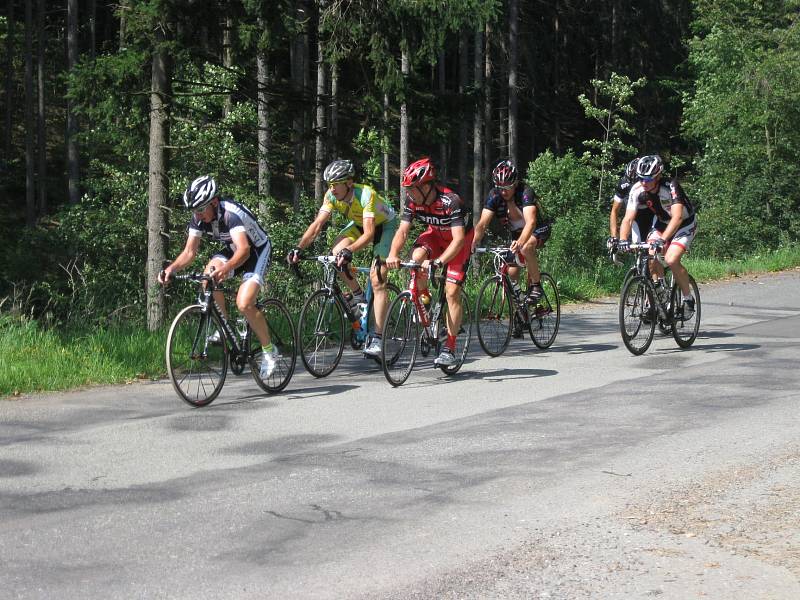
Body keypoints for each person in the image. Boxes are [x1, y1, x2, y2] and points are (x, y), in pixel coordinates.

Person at [158, 175, 278, 378]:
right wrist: (171, 269)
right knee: (207, 277)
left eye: (200, 209)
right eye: (194, 211)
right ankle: (224, 327)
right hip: (233, 250)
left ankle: (269, 352)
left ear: (213, 202)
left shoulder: (231, 214)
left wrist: (226, 268)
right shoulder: (199, 217)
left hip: (256, 250)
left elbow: (245, 250)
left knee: (245, 303)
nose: (197, 215)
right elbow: (189, 252)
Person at [286, 159, 398, 358]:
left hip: (383, 226)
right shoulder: (331, 196)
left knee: (378, 278)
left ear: (348, 182)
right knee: (334, 256)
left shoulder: (366, 195)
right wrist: (298, 247)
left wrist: (350, 251)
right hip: (359, 224)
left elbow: (370, 233)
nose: (332, 188)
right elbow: (317, 225)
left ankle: (378, 339)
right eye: (329, 184)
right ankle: (358, 295)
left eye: (335, 183)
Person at [386, 157, 474, 367]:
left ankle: (450, 348)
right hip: (435, 236)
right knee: (416, 258)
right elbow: (403, 231)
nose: (409, 194)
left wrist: (440, 262)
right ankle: (424, 299)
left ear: (426, 186)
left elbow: (459, 239)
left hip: (457, 243)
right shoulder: (412, 202)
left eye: (412, 189)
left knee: (452, 292)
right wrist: (393, 253)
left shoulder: (451, 201)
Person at [620, 155, 698, 318]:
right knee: (650, 255)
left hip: (684, 223)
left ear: (658, 176)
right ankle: (660, 288)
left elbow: (677, 217)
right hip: (662, 222)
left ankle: (688, 298)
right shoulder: (637, 189)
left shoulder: (671, 186)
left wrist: (663, 240)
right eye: (641, 178)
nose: (644, 182)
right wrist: (622, 240)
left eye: (648, 179)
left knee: (671, 259)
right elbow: (628, 218)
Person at [471, 158, 548, 307]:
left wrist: (520, 242)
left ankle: (537, 286)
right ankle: (518, 316)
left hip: (538, 228)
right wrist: (474, 241)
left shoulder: (525, 192)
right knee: (511, 274)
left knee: (526, 247)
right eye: (500, 187)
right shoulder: (495, 195)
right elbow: (482, 223)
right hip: (516, 233)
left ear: (516, 184)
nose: (503, 191)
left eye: (508, 187)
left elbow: (531, 222)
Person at [607, 157, 654, 247]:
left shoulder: (650, 183)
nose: (633, 185)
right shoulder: (623, 184)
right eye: (629, 180)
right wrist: (614, 236)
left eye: (635, 181)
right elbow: (615, 210)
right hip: (634, 216)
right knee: (637, 248)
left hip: (652, 213)